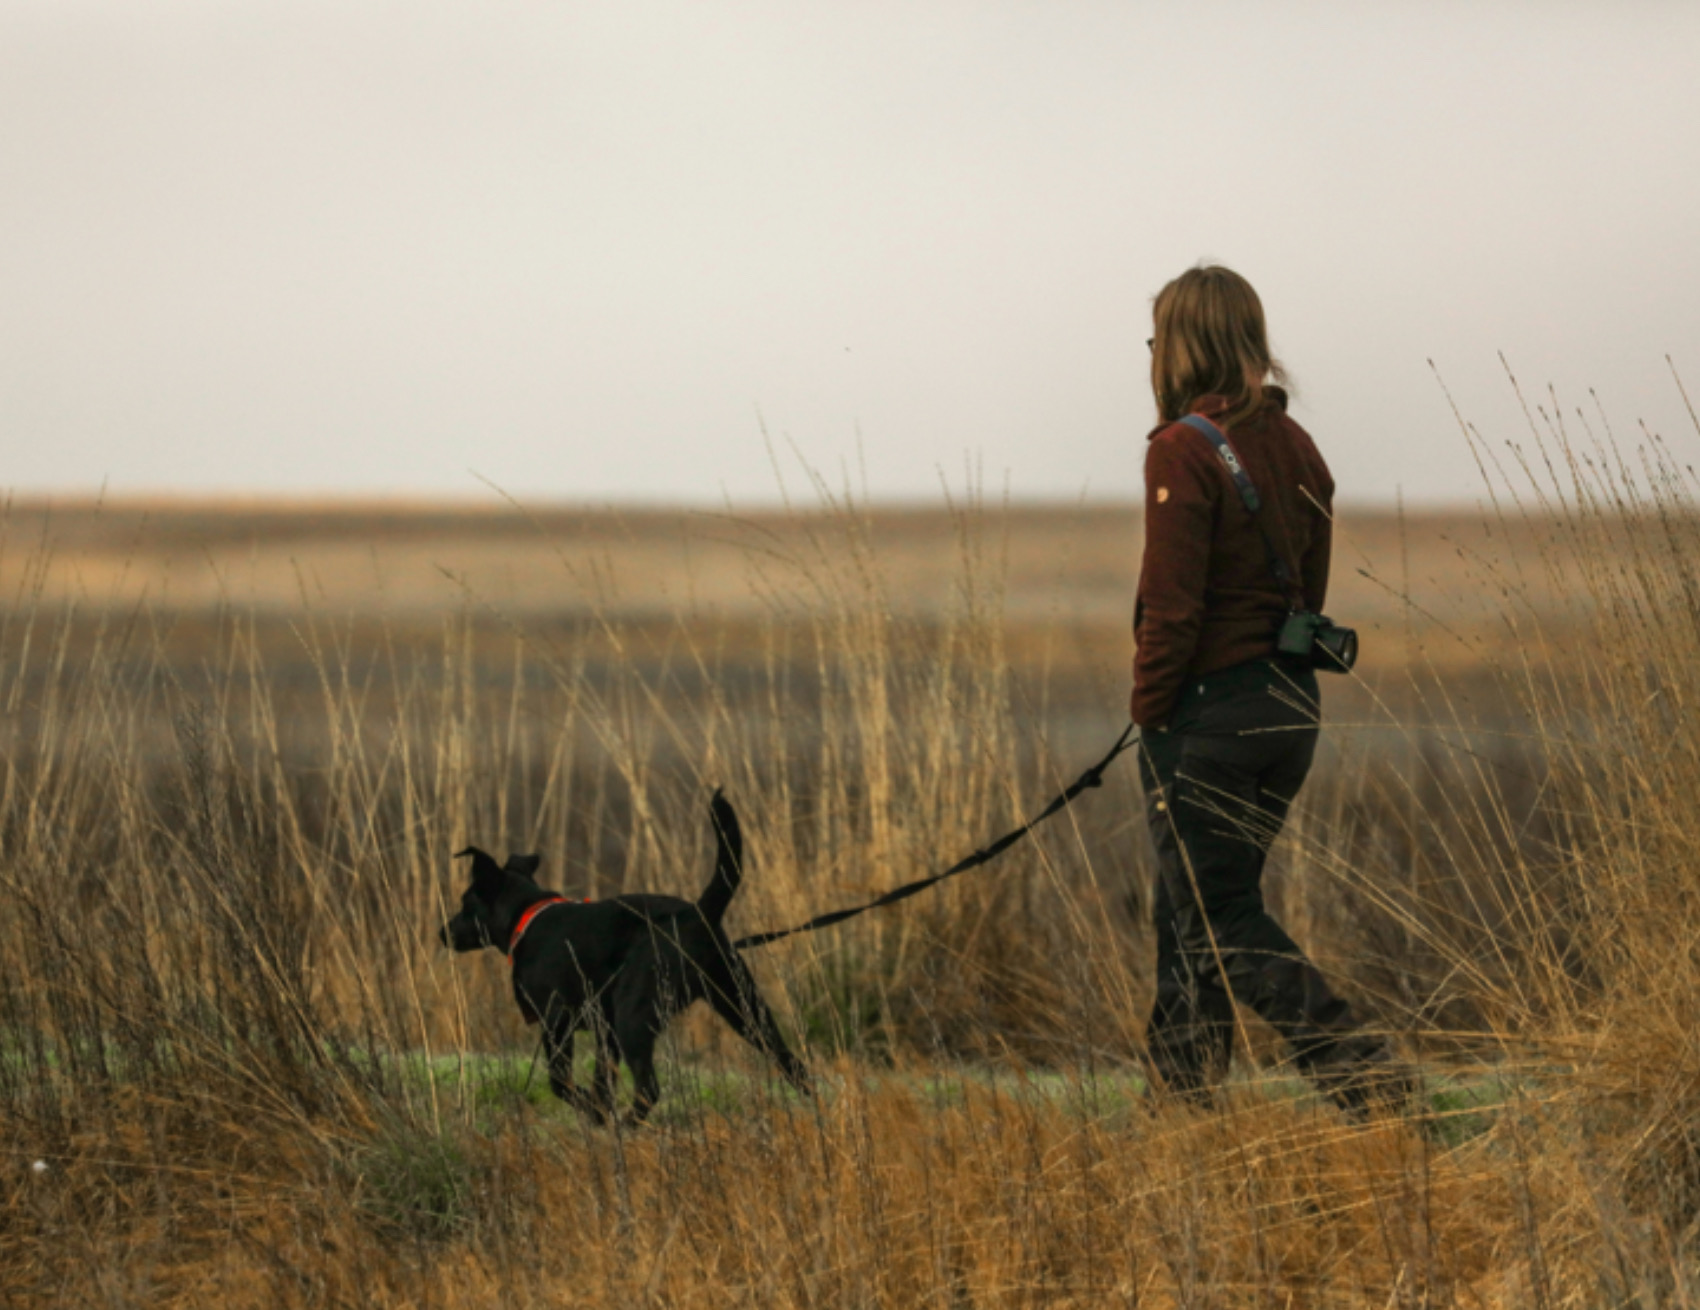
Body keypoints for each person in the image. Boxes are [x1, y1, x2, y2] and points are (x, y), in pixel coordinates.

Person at [1131, 264, 1402, 1112]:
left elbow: (1171, 612)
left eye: (1157, 339)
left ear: (1183, 347)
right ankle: (1182, 1103)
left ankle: (1359, 1068)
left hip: (1208, 718)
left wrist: (1150, 714)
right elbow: (1307, 593)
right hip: (1289, 708)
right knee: (1195, 905)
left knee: (1215, 918)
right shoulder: (1298, 445)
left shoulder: (1180, 449)